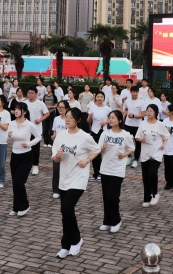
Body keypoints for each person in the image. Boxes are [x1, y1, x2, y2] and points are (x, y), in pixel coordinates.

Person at [51, 108, 101, 259]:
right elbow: (54, 157)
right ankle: (65, 245)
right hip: (64, 178)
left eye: (71, 118)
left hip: (78, 178)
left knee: (67, 208)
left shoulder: (84, 137)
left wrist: (87, 160)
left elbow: (97, 149)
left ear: (78, 120)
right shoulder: (60, 136)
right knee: (64, 213)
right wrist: (57, 157)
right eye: (66, 117)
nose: (67, 120)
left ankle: (77, 239)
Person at [98, 110, 135, 233]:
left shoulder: (125, 135)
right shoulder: (104, 133)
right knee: (105, 196)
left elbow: (131, 149)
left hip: (117, 169)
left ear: (120, 120)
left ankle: (116, 220)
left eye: (113, 117)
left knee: (112, 196)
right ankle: (107, 221)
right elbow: (98, 150)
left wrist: (123, 154)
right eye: (109, 117)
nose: (110, 119)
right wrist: (102, 148)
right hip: (105, 168)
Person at [6, 101, 42, 214]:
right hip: (14, 155)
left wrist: (29, 144)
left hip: (26, 156)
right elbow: (6, 141)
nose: (16, 111)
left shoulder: (29, 125)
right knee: (15, 183)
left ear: (24, 112)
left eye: (18, 109)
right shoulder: (11, 124)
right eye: (15, 109)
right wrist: (8, 136)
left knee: (19, 182)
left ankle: (24, 206)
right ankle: (16, 207)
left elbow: (38, 137)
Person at [135, 104, 169, 207]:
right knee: (145, 177)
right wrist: (141, 139)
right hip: (145, 153)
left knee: (152, 173)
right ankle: (146, 198)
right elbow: (137, 136)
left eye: (150, 111)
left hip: (156, 153)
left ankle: (155, 193)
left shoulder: (160, 124)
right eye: (147, 111)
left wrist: (163, 144)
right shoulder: (142, 124)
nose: (148, 113)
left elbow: (166, 135)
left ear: (155, 112)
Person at [87, 92, 112, 179]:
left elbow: (112, 119)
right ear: (95, 98)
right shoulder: (92, 107)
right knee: (94, 152)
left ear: (104, 98)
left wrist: (106, 122)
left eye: (101, 97)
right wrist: (90, 117)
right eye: (98, 96)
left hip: (103, 132)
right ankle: (96, 173)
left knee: (102, 151)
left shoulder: (107, 109)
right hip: (94, 132)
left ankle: (102, 172)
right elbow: (88, 121)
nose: (99, 98)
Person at [25, 87, 49, 175]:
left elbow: (47, 113)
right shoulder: (24, 103)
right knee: (26, 147)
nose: (30, 94)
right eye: (28, 93)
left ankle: (35, 166)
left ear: (36, 94)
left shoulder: (40, 103)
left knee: (35, 149)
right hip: (26, 129)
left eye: (31, 93)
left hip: (36, 129)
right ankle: (27, 165)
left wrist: (40, 120)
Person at [51, 101, 71, 198]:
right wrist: (53, 135)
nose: (60, 109)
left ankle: (66, 187)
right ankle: (56, 189)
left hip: (67, 147)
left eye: (62, 107)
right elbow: (55, 130)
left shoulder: (69, 120)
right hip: (57, 146)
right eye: (59, 107)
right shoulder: (56, 119)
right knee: (56, 168)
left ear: (67, 109)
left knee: (66, 168)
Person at [124, 86, 146, 168]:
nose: (135, 93)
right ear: (131, 92)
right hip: (127, 124)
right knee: (127, 141)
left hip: (137, 125)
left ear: (138, 92)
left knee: (138, 143)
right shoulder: (127, 101)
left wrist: (133, 116)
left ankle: (136, 159)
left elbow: (143, 114)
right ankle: (129, 157)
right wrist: (123, 118)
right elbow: (125, 110)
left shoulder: (141, 102)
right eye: (133, 92)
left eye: (136, 92)